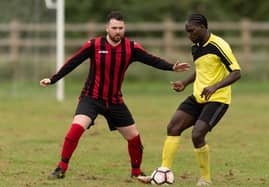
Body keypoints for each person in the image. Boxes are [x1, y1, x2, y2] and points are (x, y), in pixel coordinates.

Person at [40, 11, 190, 179]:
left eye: (120, 28)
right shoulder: (94, 45)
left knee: (134, 138)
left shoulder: (131, 48)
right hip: (91, 97)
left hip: (114, 101)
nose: (117, 31)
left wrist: (172, 67)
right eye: (114, 28)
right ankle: (61, 168)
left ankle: (136, 173)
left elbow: (152, 60)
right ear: (107, 28)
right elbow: (73, 62)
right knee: (76, 128)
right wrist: (53, 79)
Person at [138, 13, 241, 186]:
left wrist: (215, 86)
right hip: (197, 96)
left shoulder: (219, 45)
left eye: (191, 31)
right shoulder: (196, 47)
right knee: (173, 126)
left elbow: (236, 72)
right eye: (187, 32)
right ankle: (163, 172)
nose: (189, 35)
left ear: (202, 27)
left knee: (197, 135)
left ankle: (206, 179)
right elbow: (201, 70)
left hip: (218, 99)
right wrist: (184, 82)